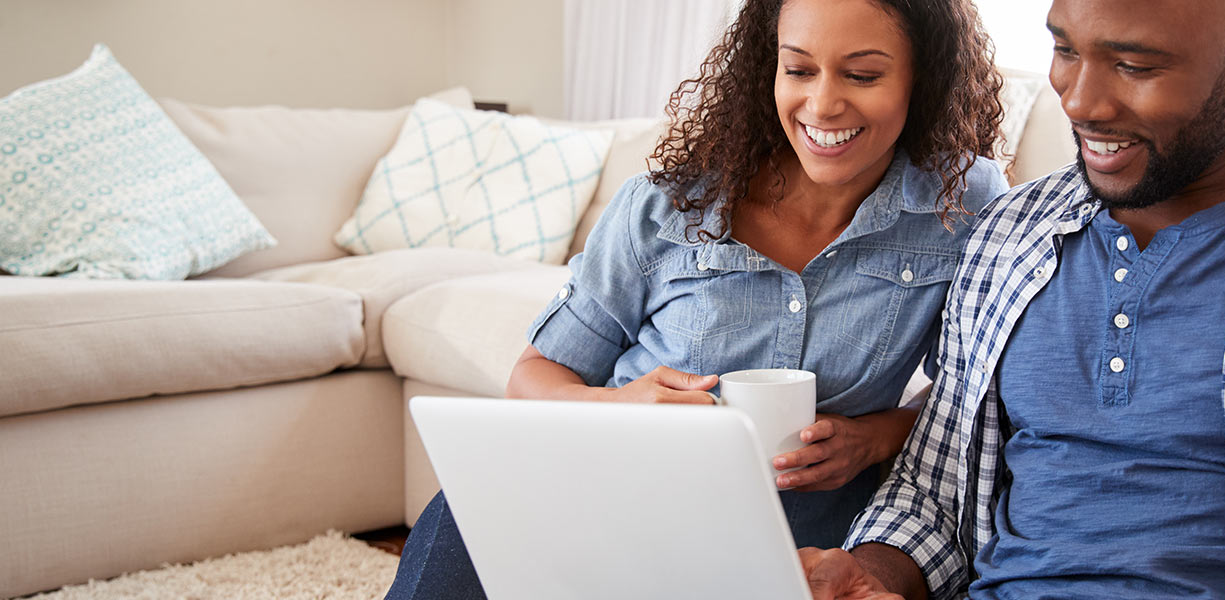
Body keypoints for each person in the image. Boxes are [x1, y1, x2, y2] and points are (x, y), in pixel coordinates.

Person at [799, 0, 1225, 599]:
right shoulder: (1009, 234)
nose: (1080, 101)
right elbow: (936, 491)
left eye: (1135, 66)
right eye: (1065, 50)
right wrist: (867, 574)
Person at [384, 0, 1010, 598]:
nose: (822, 102)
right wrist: (620, 407)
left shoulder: (962, 202)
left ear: (920, 78)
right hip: (617, 483)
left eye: (863, 74)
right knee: (470, 512)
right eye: (798, 69)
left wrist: (875, 437)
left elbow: (973, 391)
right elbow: (534, 376)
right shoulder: (666, 204)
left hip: (810, 520)